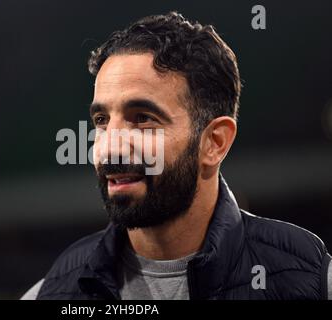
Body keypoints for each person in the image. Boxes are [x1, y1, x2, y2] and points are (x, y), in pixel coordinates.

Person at [22, 12, 332, 300]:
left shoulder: (311, 282)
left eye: (142, 118)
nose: (110, 148)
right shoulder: (53, 292)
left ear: (214, 142)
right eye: (102, 121)